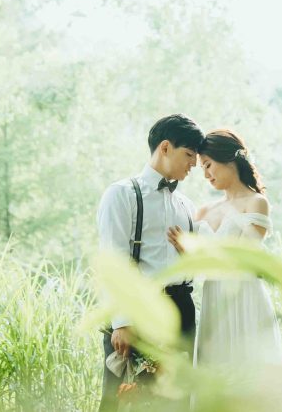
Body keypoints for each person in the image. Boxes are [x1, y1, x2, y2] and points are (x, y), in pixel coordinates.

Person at [96, 114, 203, 411]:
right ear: (166, 147)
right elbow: (114, 261)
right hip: (138, 309)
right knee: (125, 398)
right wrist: (122, 322)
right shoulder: (123, 194)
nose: (193, 164)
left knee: (175, 400)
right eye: (189, 155)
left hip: (181, 308)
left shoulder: (187, 206)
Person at [168, 128, 281, 371]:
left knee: (249, 372)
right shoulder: (204, 211)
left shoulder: (256, 203)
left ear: (229, 159)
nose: (206, 175)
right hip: (213, 297)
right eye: (202, 169)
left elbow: (242, 259)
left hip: (245, 298)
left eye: (208, 165)